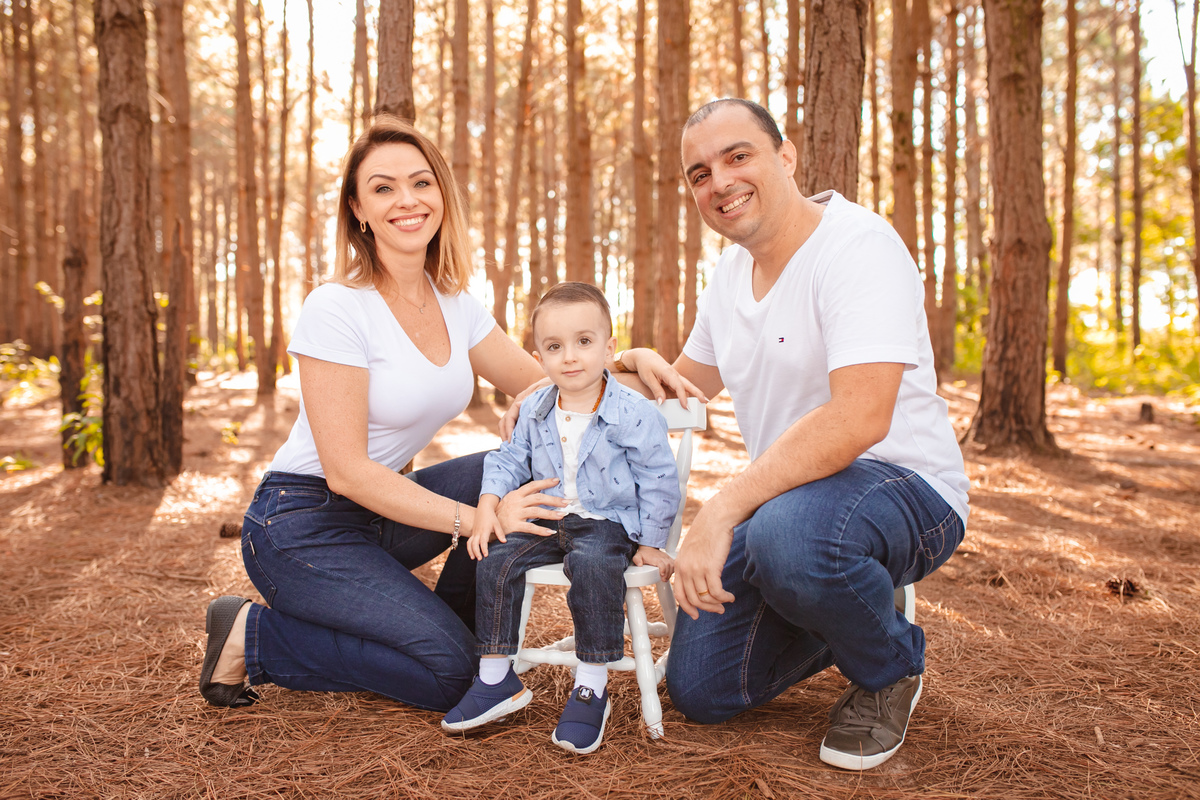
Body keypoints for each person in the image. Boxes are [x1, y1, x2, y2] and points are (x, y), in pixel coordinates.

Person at [620, 99, 970, 770]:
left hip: (904, 486)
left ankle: (891, 665)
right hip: (795, 506)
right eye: (699, 173)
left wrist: (721, 510)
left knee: (789, 539)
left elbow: (859, 418)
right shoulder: (727, 278)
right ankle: (853, 597)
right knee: (705, 688)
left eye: (737, 156)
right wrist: (607, 369)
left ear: (786, 156)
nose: (718, 182)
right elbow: (684, 384)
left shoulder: (857, 247)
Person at [198, 117, 557, 712]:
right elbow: (346, 472)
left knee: (511, 467)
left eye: (421, 182)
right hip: (299, 525)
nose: (407, 200)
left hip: (379, 518)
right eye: (384, 188)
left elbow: (555, 379)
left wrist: (631, 359)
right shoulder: (337, 307)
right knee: (453, 677)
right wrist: (478, 521)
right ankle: (252, 636)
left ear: (441, 194)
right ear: (359, 209)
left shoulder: (456, 306)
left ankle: (457, 633)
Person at [440, 282, 681, 755]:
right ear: (540, 357)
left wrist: (653, 541)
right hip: (548, 516)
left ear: (610, 348)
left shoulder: (632, 412)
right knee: (495, 558)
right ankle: (495, 678)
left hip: (607, 521)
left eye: (584, 342)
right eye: (554, 347)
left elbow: (658, 477)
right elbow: (509, 460)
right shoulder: (535, 408)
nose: (570, 357)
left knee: (592, 565)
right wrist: (489, 502)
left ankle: (591, 685)